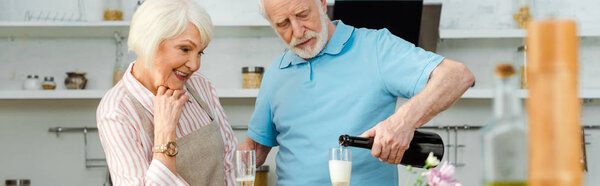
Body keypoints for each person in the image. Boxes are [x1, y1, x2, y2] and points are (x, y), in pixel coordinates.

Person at [237, 0, 475, 185]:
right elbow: (255, 150)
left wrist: (404, 121)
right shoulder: (276, 73)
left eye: (302, 15)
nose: (298, 31)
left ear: (321, 4)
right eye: (283, 24)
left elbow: (457, 76)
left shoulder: (375, 47)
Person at [96, 0, 237, 185]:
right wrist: (164, 133)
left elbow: (230, 162)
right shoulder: (116, 112)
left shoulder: (201, 87)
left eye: (200, 53)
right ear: (150, 41)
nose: (195, 65)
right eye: (185, 49)